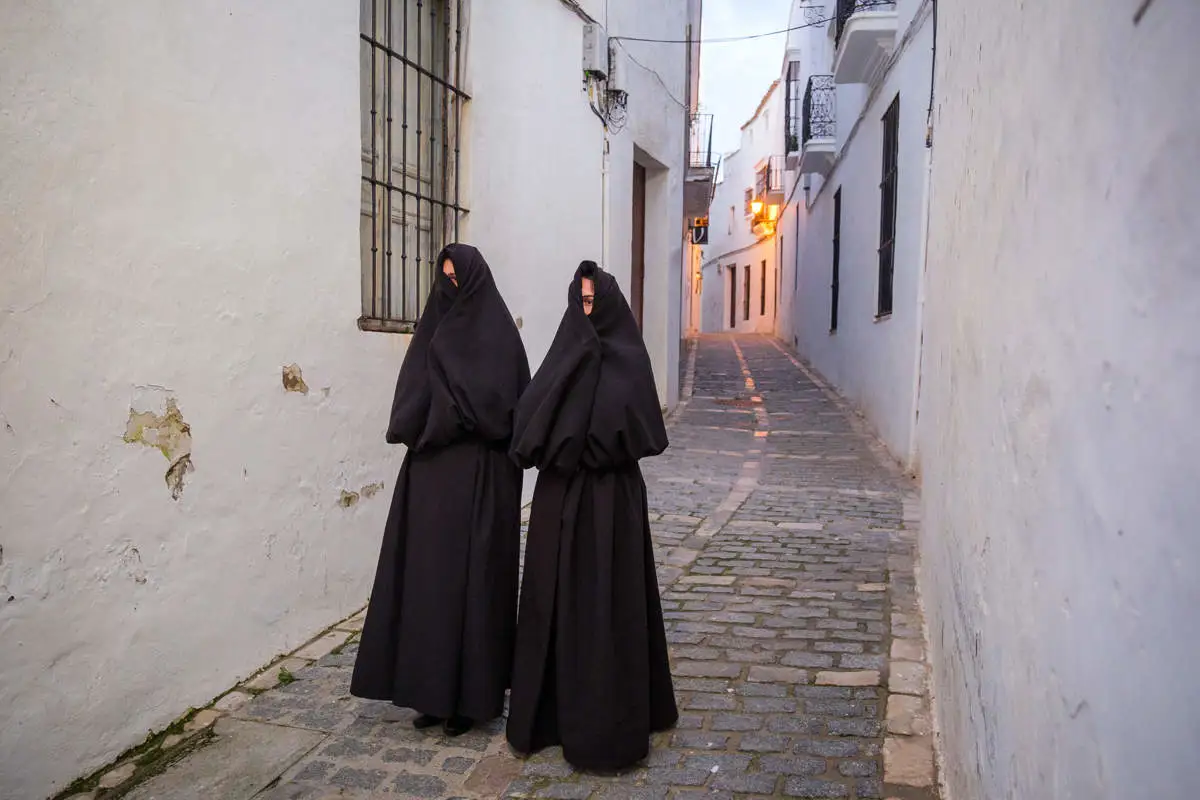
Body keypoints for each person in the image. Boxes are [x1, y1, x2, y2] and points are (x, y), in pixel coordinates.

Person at [351, 243, 529, 737]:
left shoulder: (498, 336)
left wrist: (458, 413)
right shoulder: (431, 333)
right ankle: (427, 693)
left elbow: (508, 410)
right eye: (442, 279)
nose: (448, 288)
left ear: (474, 281)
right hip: (430, 480)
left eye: (457, 280)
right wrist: (439, 418)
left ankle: (469, 702)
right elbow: (409, 402)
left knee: (473, 586)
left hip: (479, 481)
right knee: (429, 587)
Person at [506, 260, 678, 770]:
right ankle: (549, 717)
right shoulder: (564, 355)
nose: (586, 312)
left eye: (593, 303)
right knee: (552, 606)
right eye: (579, 303)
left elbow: (639, 426)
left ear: (608, 304)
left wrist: (584, 436)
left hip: (611, 505)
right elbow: (530, 425)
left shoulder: (629, 357)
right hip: (561, 500)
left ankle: (610, 722)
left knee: (610, 606)